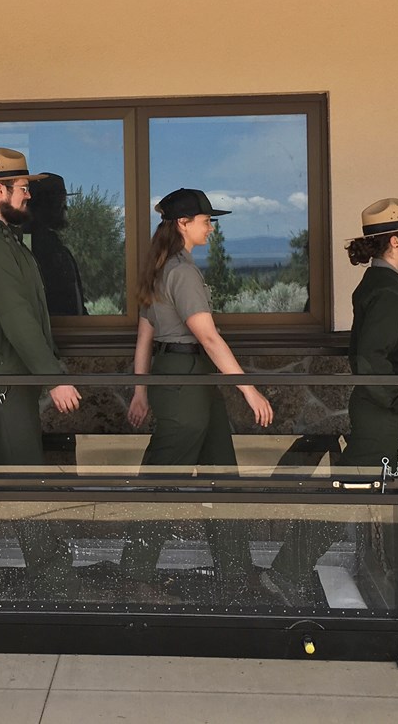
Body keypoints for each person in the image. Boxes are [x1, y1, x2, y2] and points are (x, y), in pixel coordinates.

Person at [261, 198, 398, 615]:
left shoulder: (386, 283)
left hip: (388, 409)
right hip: (384, 412)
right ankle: (285, 571)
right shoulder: (386, 289)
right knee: (346, 495)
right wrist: (395, 400)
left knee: (392, 497)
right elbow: (372, 357)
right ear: (394, 240)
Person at [122, 188, 274, 602]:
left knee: (223, 477)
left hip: (187, 379)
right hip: (186, 378)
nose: (211, 226)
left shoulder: (162, 267)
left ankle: (237, 571)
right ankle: (134, 577)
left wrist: (141, 391)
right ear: (183, 224)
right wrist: (249, 391)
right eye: (206, 220)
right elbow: (207, 336)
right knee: (162, 481)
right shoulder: (181, 271)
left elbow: (143, 339)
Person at [0, 147, 81, 597]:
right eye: (24, 189)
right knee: (27, 477)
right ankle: (54, 576)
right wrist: (54, 375)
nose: (29, 197)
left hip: (3, 380)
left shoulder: (1, 237)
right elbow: (16, 316)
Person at [23, 173, 88, 316]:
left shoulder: (49, 245)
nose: (65, 207)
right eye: (61, 201)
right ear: (48, 204)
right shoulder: (35, 247)